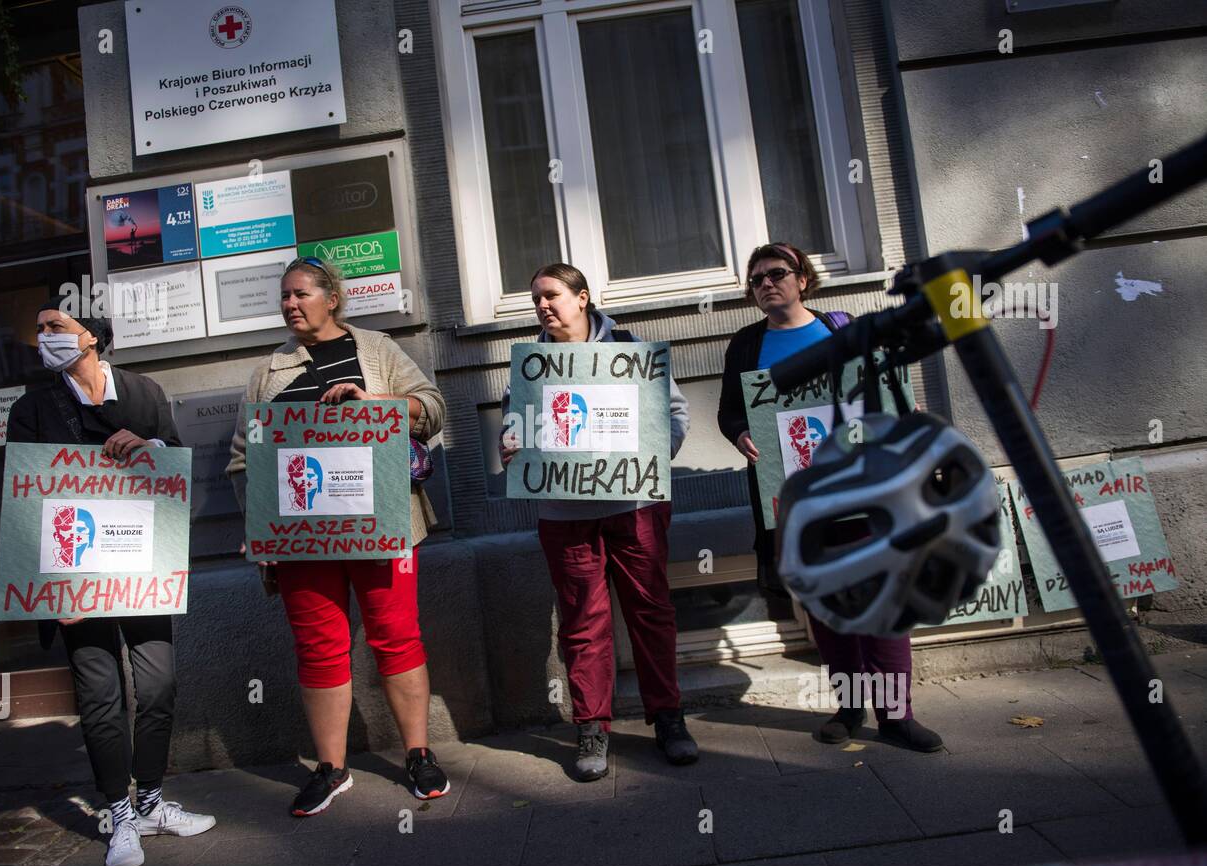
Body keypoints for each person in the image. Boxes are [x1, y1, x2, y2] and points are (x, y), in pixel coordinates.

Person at [226, 257, 450, 815]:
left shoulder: (377, 349)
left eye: (300, 293)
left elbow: (434, 409)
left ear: (333, 298)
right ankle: (331, 769)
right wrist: (263, 526)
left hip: (383, 526)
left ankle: (418, 755)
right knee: (319, 646)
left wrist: (375, 405)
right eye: (283, 297)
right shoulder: (267, 372)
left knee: (395, 635)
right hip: (302, 542)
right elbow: (241, 459)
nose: (290, 304)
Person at [6, 297, 216, 866]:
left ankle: (150, 800)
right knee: (101, 698)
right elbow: (26, 499)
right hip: (77, 579)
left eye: (56, 327)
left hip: (142, 568)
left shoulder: (144, 394)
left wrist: (151, 449)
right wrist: (51, 591)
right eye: (40, 328)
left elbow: (176, 463)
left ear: (91, 337)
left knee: (157, 687)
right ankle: (117, 814)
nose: (44, 336)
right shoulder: (33, 408)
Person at [717, 243, 943, 752]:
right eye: (756, 280)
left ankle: (896, 716)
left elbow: (886, 393)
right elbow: (731, 410)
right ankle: (849, 706)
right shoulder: (746, 346)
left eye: (777, 273)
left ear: (803, 278)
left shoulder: (841, 329)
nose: (767, 284)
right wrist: (739, 435)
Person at [499, 263, 697, 781]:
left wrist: (653, 456)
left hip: (635, 508)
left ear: (582, 297)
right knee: (583, 623)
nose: (542, 305)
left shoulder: (632, 350)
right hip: (564, 516)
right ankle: (592, 727)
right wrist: (512, 448)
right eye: (535, 298)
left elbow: (676, 416)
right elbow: (515, 429)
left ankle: (668, 718)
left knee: (651, 613)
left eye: (551, 295)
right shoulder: (530, 365)